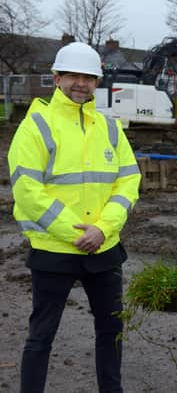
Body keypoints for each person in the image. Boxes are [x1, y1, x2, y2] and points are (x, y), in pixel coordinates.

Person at [8, 42, 141, 393]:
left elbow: (129, 181)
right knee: (42, 335)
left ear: (97, 81)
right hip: (54, 249)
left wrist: (103, 228)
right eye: (73, 76)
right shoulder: (35, 126)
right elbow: (27, 190)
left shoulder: (110, 127)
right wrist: (75, 232)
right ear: (56, 78)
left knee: (111, 331)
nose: (80, 83)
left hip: (104, 247)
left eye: (88, 77)